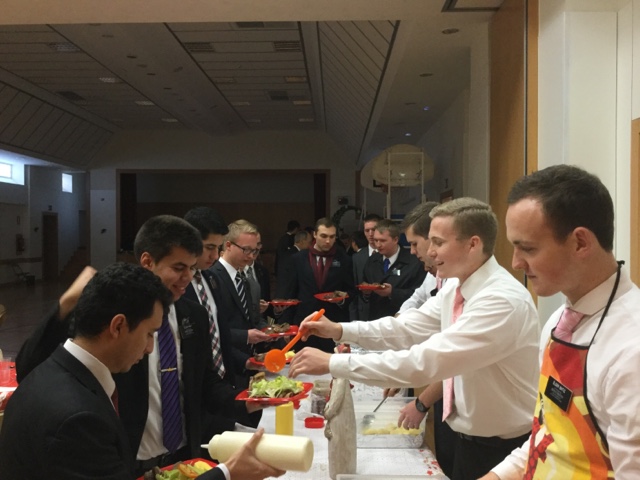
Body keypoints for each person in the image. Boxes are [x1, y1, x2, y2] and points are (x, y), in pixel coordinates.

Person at [289, 198, 540, 480]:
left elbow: (425, 362)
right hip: (469, 441)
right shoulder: (456, 287)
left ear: (473, 244)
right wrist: (339, 330)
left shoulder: (500, 300)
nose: (430, 252)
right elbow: (406, 328)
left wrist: (333, 363)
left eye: (438, 243)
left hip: (503, 448)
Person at [15, 215, 264, 477]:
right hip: (127, 460)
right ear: (147, 261)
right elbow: (31, 368)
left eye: (192, 268)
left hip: (181, 457)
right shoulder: (115, 320)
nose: (187, 278)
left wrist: (246, 400)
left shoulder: (194, 315)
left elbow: (205, 382)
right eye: (179, 267)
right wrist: (65, 305)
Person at [480, 165, 640, 479]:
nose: (516, 262)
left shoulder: (631, 348)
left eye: (527, 248)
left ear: (580, 243)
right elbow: (548, 431)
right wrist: (497, 476)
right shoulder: (558, 322)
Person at [276, 217, 355, 352]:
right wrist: (286, 324)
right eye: (324, 236)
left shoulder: (344, 260)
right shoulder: (298, 259)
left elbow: (351, 291)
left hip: (333, 322)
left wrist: (341, 300)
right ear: (315, 234)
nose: (328, 241)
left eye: (332, 237)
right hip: (304, 322)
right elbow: (289, 294)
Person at [209, 219, 271, 379]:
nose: (251, 256)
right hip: (222, 365)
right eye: (246, 250)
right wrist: (245, 336)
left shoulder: (245, 279)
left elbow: (252, 320)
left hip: (247, 363)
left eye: (255, 251)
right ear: (228, 245)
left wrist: (271, 333)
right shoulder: (212, 277)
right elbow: (212, 330)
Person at [361, 219, 426, 319]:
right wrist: (366, 291)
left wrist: (392, 292)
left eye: (382, 241)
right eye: (376, 240)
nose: (378, 245)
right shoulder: (372, 261)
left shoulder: (414, 262)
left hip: (402, 318)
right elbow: (365, 284)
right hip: (376, 319)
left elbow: (421, 294)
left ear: (395, 240)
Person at [350, 213, 381, 320]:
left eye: (374, 229)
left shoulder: (388, 253)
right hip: (364, 312)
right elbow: (354, 291)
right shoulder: (357, 257)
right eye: (367, 230)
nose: (370, 234)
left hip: (386, 310)